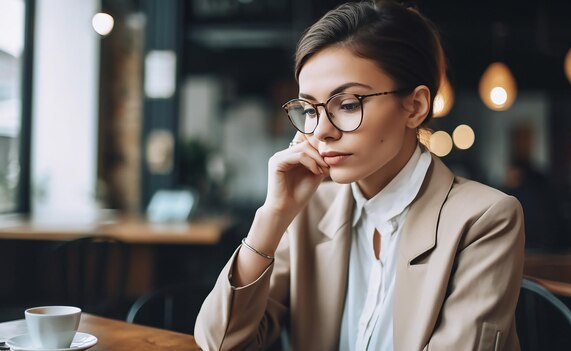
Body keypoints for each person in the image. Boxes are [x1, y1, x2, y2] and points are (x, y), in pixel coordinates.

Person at [194, 1, 525, 350]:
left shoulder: (484, 219)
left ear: (415, 107)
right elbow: (219, 342)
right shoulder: (308, 210)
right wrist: (272, 217)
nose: (321, 131)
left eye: (348, 104)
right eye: (309, 109)